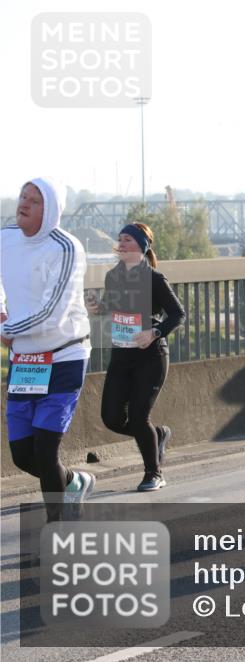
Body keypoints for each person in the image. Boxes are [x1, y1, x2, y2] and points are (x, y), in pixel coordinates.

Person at [2, 178, 94, 520]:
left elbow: (53, 312)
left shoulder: (66, 248)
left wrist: (8, 329)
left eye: (35, 200)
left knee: (44, 451)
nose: (24, 203)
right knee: (23, 455)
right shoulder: (6, 238)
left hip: (63, 355)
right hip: (25, 360)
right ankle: (74, 482)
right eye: (23, 196)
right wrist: (1, 313)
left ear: (51, 210)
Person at [85, 223, 185, 492]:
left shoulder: (154, 278)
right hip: (122, 356)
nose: (121, 244)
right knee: (111, 418)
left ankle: (154, 473)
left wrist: (154, 332)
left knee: (139, 417)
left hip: (151, 356)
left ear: (142, 246)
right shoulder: (113, 277)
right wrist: (97, 307)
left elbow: (178, 314)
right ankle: (158, 434)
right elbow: (110, 307)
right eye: (119, 239)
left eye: (127, 239)